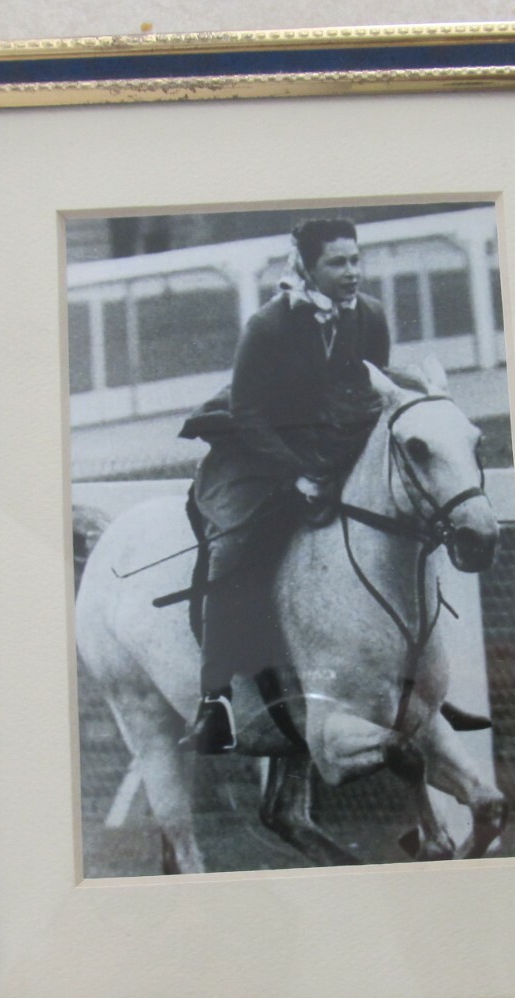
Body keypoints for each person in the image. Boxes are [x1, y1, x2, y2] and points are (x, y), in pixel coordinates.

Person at [181, 218, 392, 753]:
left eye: (355, 259)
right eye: (337, 263)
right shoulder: (268, 326)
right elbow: (246, 411)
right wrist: (295, 474)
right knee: (230, 555)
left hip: (330, 453)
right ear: (307, 267)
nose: (352, 272)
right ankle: (216, 701)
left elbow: (368, 395)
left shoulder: (370, 316)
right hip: (256, 456)